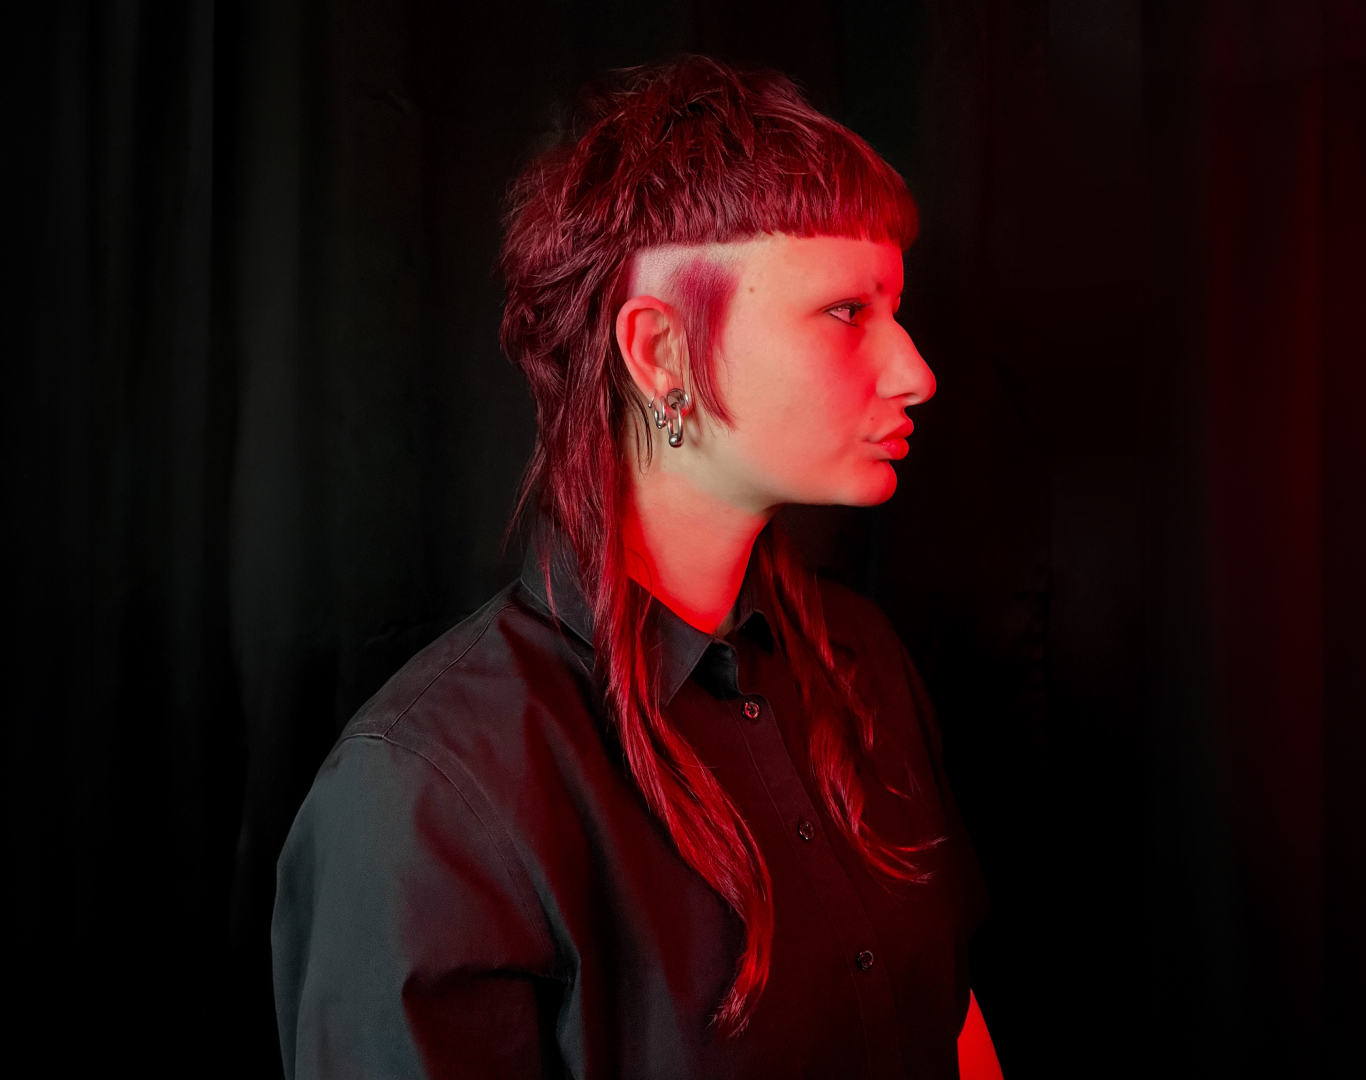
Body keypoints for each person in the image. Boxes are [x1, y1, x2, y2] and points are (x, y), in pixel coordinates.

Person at [272, 56, 1001, 1080]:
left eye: (894, 307)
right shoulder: (427, 796)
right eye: (845, 313)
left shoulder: (859, 659)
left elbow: (951, 1022)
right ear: (660, 355)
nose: (915, 370)